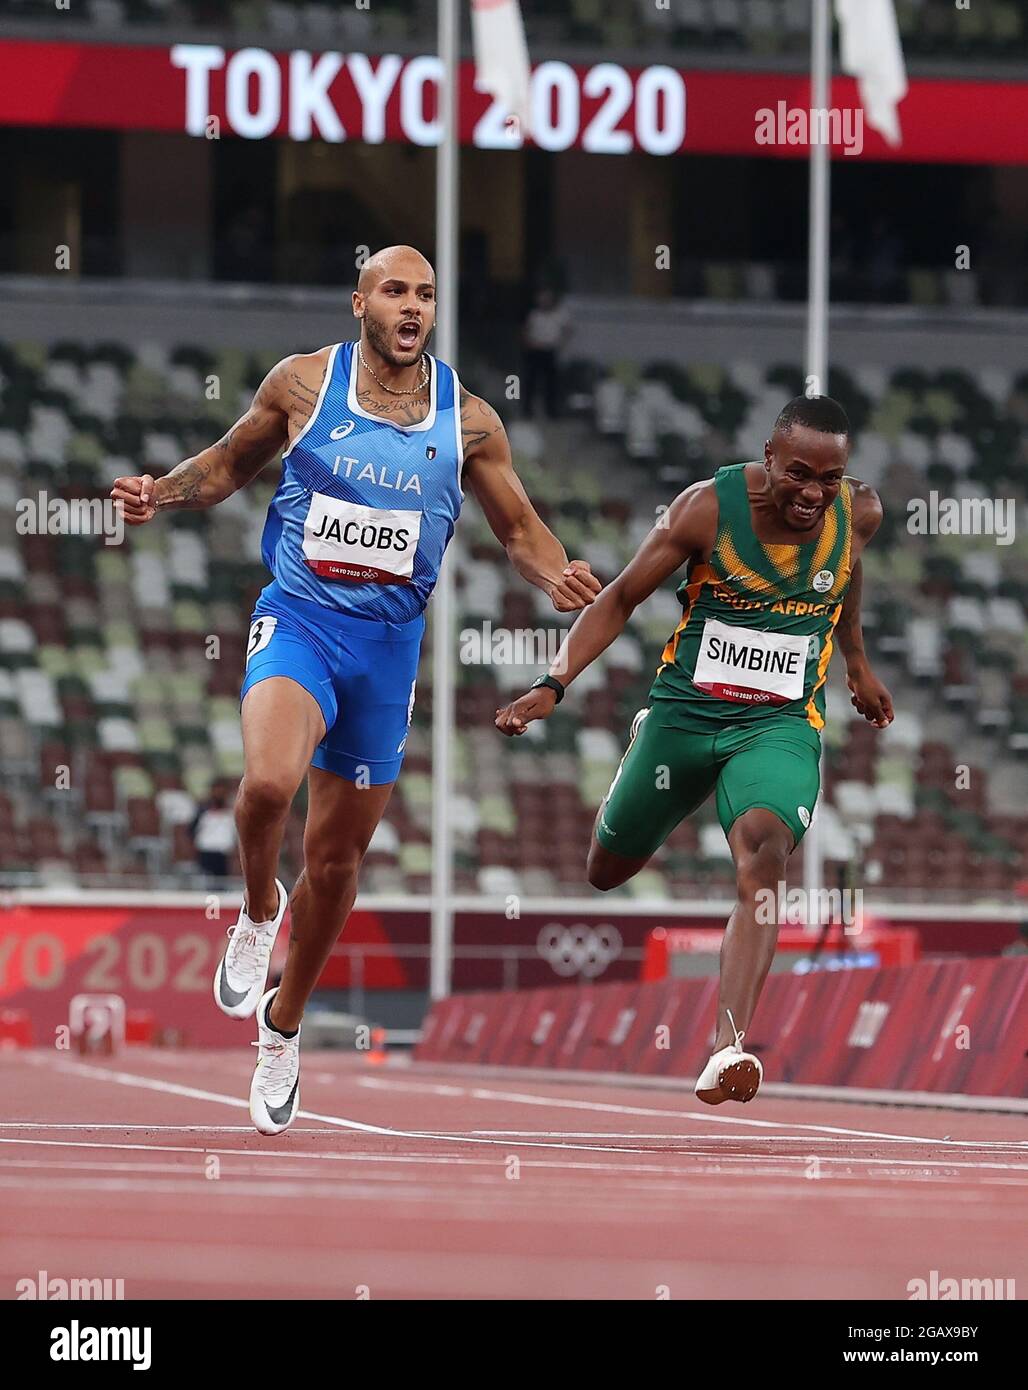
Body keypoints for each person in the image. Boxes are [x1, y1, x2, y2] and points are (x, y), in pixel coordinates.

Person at [111, 245, 600, 1135]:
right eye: (395, 291)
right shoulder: (302, 385)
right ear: (360, 303)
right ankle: (259, 907)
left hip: (386, 652)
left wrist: (556, 574)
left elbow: (519, 529)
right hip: (299, 620)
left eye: (425, 295)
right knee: (266, 787)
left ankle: (282, 1026)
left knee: (336, 865)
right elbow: (224, 468)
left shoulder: (471, 421)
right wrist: (160, 493)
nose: (412, 307)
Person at [496, 395, 894, 1105]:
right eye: (798, 473)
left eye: (829, 479)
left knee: (765, 851)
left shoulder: (857, 514)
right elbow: (618, 599)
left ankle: (728, 1047)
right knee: (605, 870)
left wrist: (857, 665)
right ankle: (640, 766)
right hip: (683, 718)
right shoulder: (705, 510)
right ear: (767, 457)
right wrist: (553, 683)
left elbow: (845, 577)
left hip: (777, 724)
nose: (813, 493)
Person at [521, 288, 568, 419]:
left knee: (551, 383)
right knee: (531, 381)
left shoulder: (558, 315)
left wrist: (560, 342)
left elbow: (567, 329)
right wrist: (528, 343)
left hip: (550, 351)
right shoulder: (534, 315)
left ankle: (551, 411)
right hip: (536, 350)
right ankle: (527, 410)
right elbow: (526, 330)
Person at [190, 779, 237, 882]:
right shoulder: (202, 813)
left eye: (222, 791)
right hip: (205, 853)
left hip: (225, 855)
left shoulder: (232, 814)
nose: (219, 794)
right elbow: (191, 832)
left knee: (223, 882)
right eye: (216, 791)